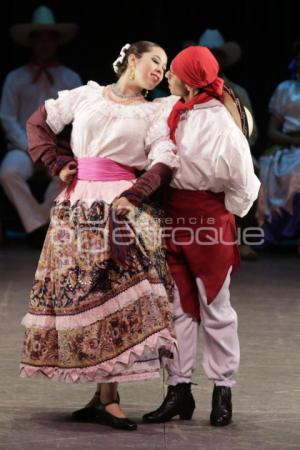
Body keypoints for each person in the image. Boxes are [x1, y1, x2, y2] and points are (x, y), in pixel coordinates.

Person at [20, 41, 179, 431]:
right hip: (77, 204)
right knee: (85, 296)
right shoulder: (87, 95)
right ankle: (100, 395)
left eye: (165, 65)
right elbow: (37, 124)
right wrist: (57, 163)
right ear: (131, 59)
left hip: (120, 206)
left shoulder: (154, 111)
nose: (160, 69)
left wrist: (136, 194)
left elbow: (163, 160)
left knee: (114, 296)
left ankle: (109, 399)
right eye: (154, 60)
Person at [142, 46, 260, 427]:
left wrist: (224, 215)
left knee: (216, 308)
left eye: (173, 73)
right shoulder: (174, 110)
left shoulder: (221, 124)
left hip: (208, 220)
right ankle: (179, 390)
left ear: (190, 83)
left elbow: (244, 184)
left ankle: (222, 390)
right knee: (179, 306)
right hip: (174, 217)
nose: (168, 78)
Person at [0, 5, 82, 248]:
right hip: (22, 146)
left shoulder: (70, 78)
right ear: (31, 43)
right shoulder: (15, 77)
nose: (45, 44)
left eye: (50, 39)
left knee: (69, 174)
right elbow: (7, 118)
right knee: (8, 172)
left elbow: (78, 119)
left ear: (56, 43)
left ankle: (44, 222)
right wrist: (29, 147)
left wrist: (56, 149)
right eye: (40, 39)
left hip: (56, 147)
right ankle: (36, 225)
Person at [198, 29, 260, 260]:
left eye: (217, 54)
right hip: (196, 152)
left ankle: (244, 238)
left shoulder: (237, 91)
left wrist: (232, 147)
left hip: (230, 150)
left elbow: (251, 131)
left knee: (248, 173)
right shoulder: (189, 89)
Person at [258, 41, 300, 252]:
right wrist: (293, 140)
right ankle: (277, 230)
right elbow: (272, 131)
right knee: (271, 166)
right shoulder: (286, 89)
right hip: (290, 145)